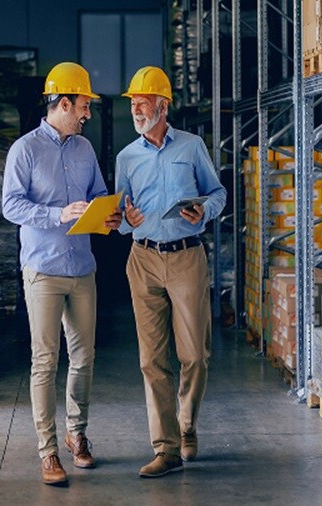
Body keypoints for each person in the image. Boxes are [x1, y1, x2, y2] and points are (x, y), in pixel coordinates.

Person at [1, 61, 122, 486]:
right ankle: (48, 451)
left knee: (84, 358)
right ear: (64, 103)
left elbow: (99, 196)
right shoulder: (26, 150)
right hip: (44, 270)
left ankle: (77, 434)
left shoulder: (85, 150)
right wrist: (57, 214)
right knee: (45, 360)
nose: (87, 113)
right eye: (83, 105)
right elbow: (11, 206)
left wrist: (108, 216)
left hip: (82, 267)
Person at [114, 66, 227, 478]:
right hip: (142, 258)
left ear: (163, 106)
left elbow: (217, 192)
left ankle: (187, 424)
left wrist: (205, 210)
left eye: (143, 102)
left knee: (195, 353)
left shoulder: (192, 147)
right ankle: (166, 448)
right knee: (152, 360)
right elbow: (121, 217)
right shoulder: (126, 157)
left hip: (186, 256)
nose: (136, 109)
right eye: (132, 103)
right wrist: (126, 218)